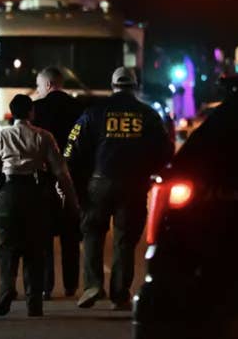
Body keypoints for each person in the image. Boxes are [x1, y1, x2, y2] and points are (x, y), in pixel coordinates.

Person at [64, 67, 173, 311]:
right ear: (134, 86)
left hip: (99, 182)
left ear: (113, 85)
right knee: (125, 240)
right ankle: (119, 294)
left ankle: (93, 284)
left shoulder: (94, 112)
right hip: (134, 185)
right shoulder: (148, 115)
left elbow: (72, 148)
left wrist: (78, 179)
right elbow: (166, 150)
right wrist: (150, 172)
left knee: (92, 233)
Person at [0, 94, 79, 317]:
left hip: (8, 193)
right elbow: (60, 171)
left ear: (12, 112)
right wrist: (71, 199)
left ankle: (7, 289)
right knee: (35, 249)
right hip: (36, 193)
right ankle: (34, 303)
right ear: (31, 112)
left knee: (7, 247)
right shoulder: (44, 136)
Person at [32, 67, 84, 300]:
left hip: (44, 179)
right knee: (70, 235)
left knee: (43, 234)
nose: (38, 90)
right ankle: (71, 285)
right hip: (74, 178)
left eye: (39, 85)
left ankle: (46, 286)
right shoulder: (79, 108)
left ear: (49, 84)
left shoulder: (37, 109)